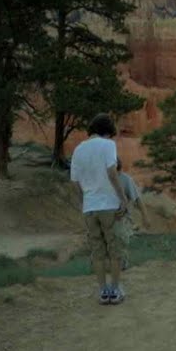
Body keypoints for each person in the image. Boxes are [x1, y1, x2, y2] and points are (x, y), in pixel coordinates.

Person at [70, 113, 128, 305]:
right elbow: (112, 172)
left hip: (90, 207)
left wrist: (85, 201)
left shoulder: (78, 149)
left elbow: (75, 182)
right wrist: (122, 199)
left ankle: (103, 291)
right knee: (115, 249)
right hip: (109, 205)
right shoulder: (108, 145)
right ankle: (115, 290)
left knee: (97, 251)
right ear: (108, 131)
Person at [113, 159, 149, 271]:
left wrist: (145, 216)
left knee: (120, 240)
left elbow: (137, 199)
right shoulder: (105, 179)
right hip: (107, 216)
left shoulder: (126, 179)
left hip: (122, 217)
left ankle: (123, 266)